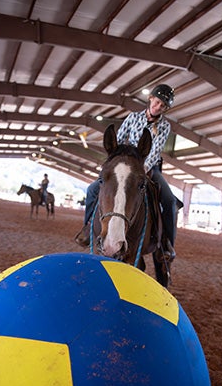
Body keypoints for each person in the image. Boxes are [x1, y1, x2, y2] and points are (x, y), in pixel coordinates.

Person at [75, 84, 178, 259]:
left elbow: (154, 152)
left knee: (169, 201)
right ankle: (87, 230)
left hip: (148, 167)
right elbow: (121, 138)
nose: (158, 107)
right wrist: (118, 161)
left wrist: (141, 169)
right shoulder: (133, 117)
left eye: (163, 106)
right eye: (157, 102)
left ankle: (167, 244)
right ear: (151, 99)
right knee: (92, 189)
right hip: (124, 163)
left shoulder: (164, 126)